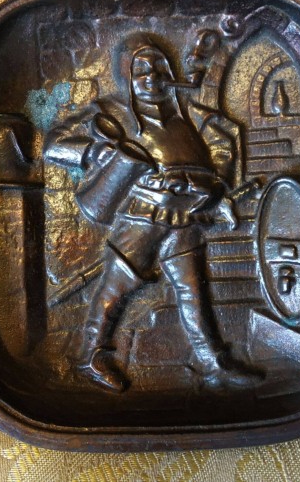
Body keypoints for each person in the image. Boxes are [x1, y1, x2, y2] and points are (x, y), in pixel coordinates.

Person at [45, 40, 262, 393]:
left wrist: (217, 190)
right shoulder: (111, 112)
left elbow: (222, 146)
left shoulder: (189, 113)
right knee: (116, 288)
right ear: (126, 75)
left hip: (187, 214)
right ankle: (91, 357)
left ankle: (213, 364)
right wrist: (94, 153)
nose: (152, 78)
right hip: (141, 217)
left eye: (160, 69)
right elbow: (53, 145)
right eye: (142, 70)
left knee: (193, 290)